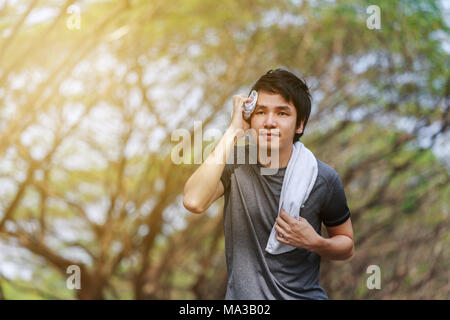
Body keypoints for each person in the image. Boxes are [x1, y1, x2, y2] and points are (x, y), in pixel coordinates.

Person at [183, 68, 354, 299]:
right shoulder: (235, 163)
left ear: (300, 124)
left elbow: (347, 245)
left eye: (282, 113)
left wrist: (315, 242)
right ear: (250, 117)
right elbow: (194, 201)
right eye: (261, 112)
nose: (270, 122)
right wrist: (234, 130)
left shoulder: (322, 177)